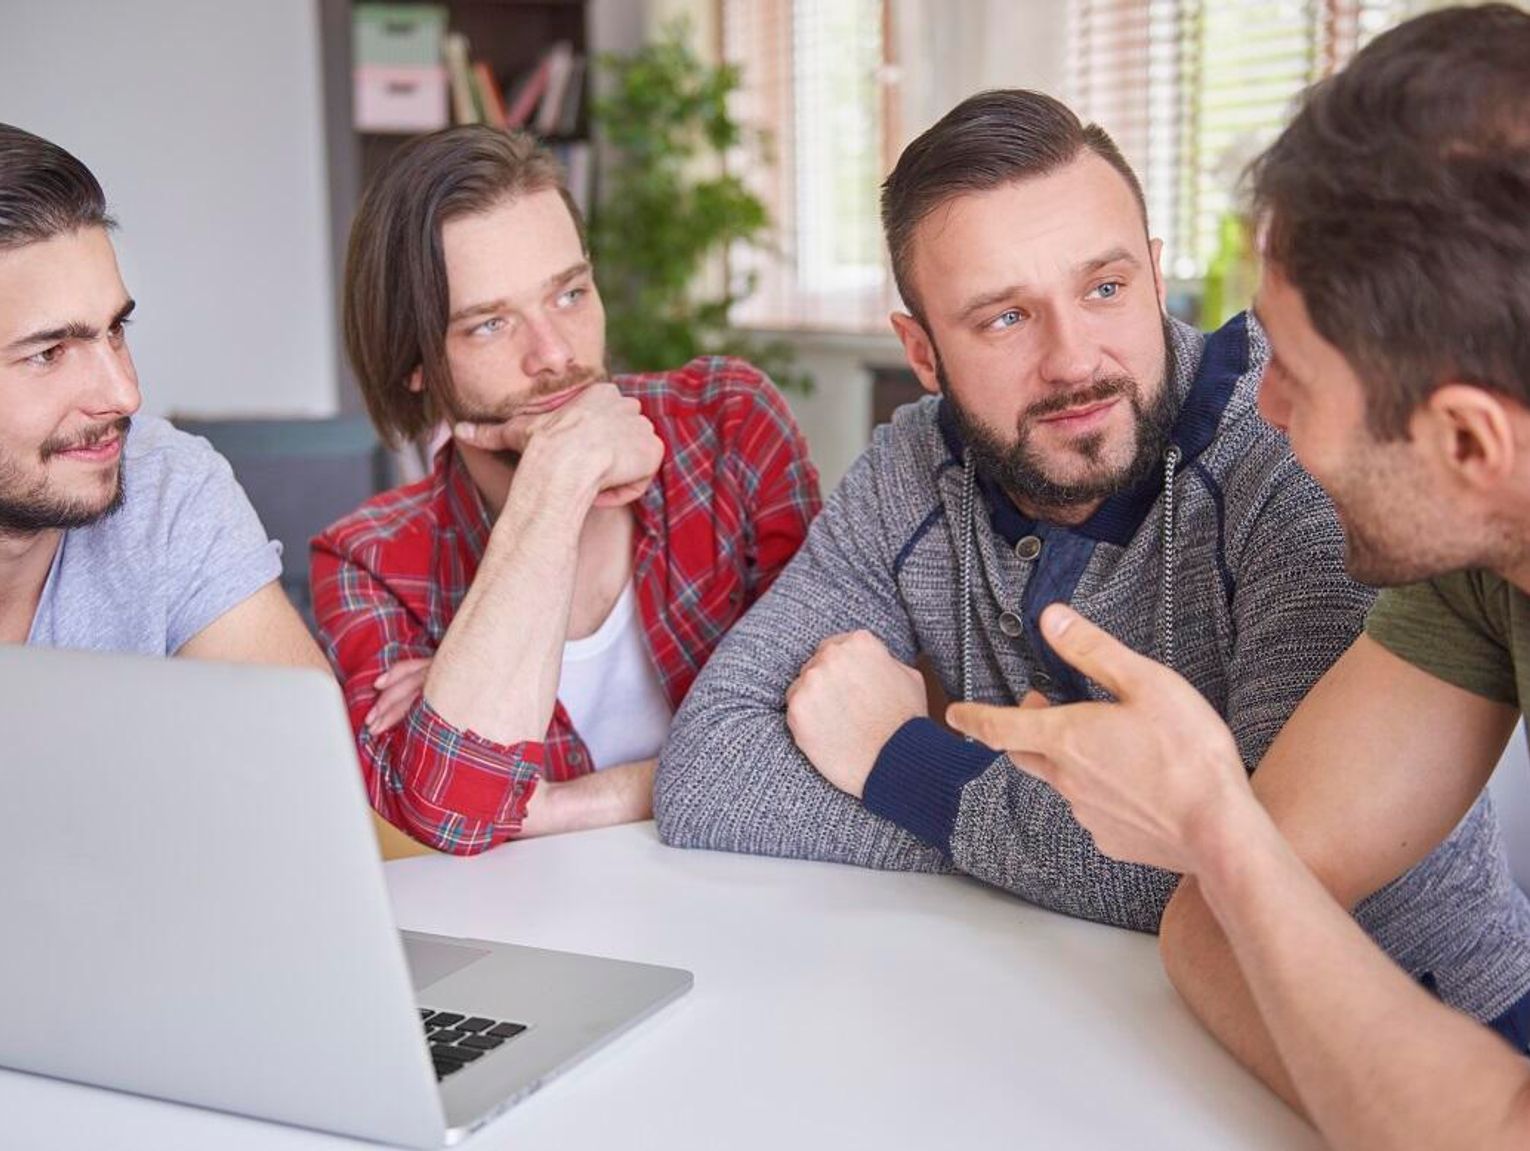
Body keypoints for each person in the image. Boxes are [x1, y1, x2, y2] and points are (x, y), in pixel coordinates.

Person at [654, 87, 1530, 1066]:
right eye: (1003, 318)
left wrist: (899, 762)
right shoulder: (909, 469)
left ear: (1156, 278)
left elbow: (1265, 870)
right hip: (1081, 1024)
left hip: (1441, 1036)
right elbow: (713, 769)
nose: (1075, 360)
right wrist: (1074, 836)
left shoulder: (1296, 452)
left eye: (1105, 289)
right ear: (921, 352)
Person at [947, 8, 1530, 1149]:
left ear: (1466, 442)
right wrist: (1407, 1099)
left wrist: (1217, 822)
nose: (1259, 406)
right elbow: (1220, 925)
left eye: (1300, 381)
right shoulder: (1479, 549)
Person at [311, 127, 820, 856]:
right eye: (490, 325)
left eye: (570, 293)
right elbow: (452, 812)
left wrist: (558, 802)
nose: (556, 354)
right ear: (413, 363)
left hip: (768, 900)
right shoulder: (369, 560)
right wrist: (555, 484)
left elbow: (828, 735)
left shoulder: (727, 422)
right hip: (553, 947)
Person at [0, 122, 324, 668]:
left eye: (116, 331)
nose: (125, 395)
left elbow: (297, 749)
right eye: (48, 352)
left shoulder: (164, 484)